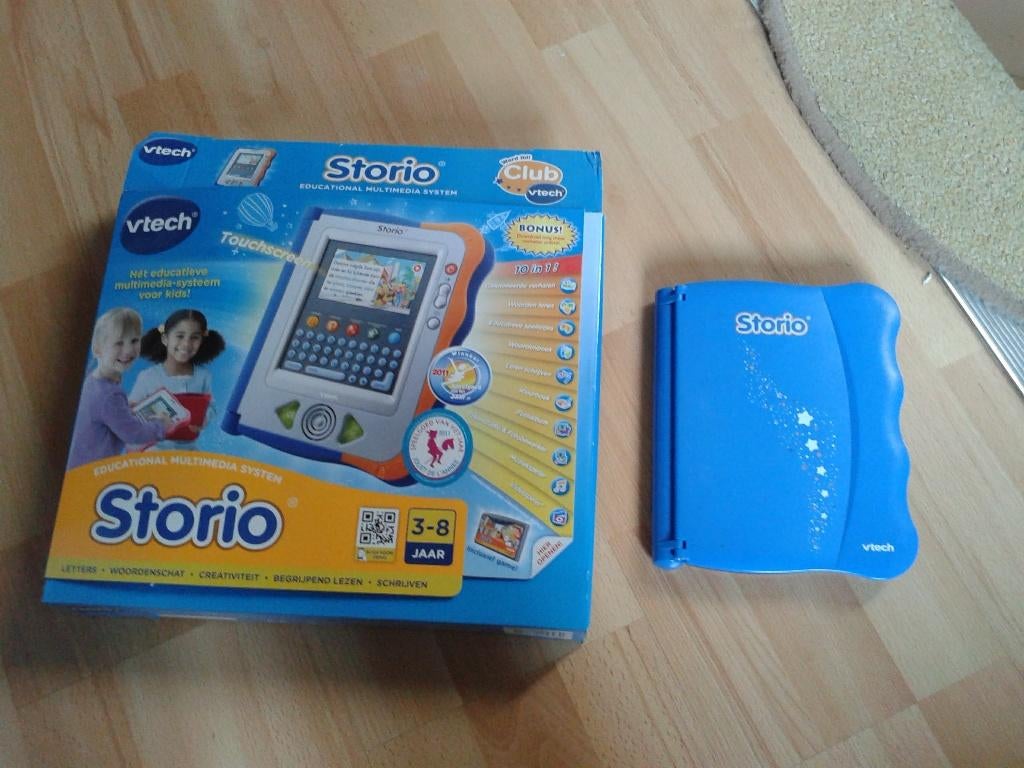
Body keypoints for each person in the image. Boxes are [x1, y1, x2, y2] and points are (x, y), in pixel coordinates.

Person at [68, 307, 169, 468]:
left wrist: (124, 409)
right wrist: (160, 426)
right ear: (97, 349)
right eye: (119, 343)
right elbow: (133, 434)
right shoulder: (109, 396)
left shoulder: (91, 380)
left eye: (134, 341)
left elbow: (103, 413)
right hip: (93, 472)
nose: (128, 350)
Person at [129, 309, 225, 450]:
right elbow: (131, 412)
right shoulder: (148, 376)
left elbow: (211, 406)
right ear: (165, 339)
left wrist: (203, 419)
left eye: (195, 338)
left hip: (189, 448)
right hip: (154, 448)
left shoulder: (203, 376)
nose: (186, 344)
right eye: (180, 336)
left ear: (201, 341)